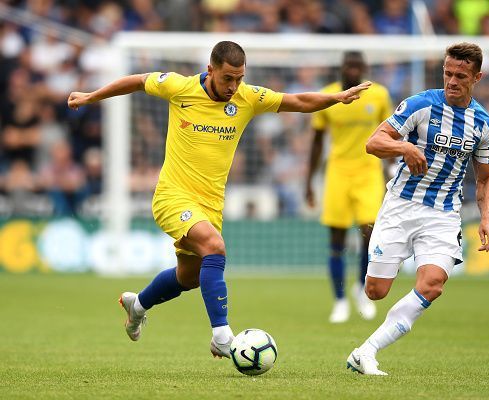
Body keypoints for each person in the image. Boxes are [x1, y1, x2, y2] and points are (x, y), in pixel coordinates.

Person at [67, 41, 371, 359]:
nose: (234, 86)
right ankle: (223, 337)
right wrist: (91, 96)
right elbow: (137, 80)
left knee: (189, 277)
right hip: (172, 197)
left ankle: (138, 305)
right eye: (228, 78)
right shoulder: (179, 87)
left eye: (239, 78)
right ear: (210, 69)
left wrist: (336, 98)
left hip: (210, 205)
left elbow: (298, 100)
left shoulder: (248, 97)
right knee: (215, 247)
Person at [346, 42, 489, 375]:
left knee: (432, 284)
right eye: (447, 73)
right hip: (401, 205)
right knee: (375, 291)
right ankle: (387, 265)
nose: (452, 81)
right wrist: (405, 147)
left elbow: (485, 178)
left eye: (460, 75)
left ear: (478, 77)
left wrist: (487, 218)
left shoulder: (483, 124)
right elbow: (373, 143)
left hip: (443, 214)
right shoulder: (420, 105)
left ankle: (366, 351)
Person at [305, 51, 393, 323]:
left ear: (364, 69)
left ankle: (362, 290)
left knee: (370, 236)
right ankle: (340, 300)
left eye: (358, 67)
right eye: (349, 66)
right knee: (337, 240)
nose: (353, 71)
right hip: (338, 173)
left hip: (368, 172)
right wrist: (308, 181)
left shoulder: (378, 95)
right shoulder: (328, 96)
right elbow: (317, 141)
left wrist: (391, 168)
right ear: (341, 68)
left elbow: (390, 131)